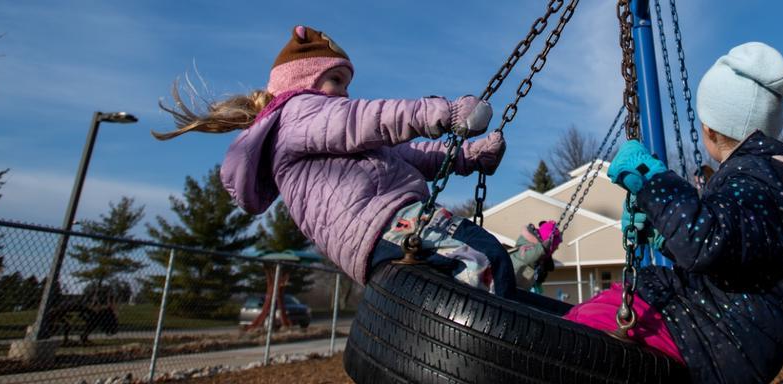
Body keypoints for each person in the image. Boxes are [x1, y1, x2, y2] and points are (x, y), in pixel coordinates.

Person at [563, 42, 783, 383]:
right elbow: (732, 254)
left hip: (716, 334)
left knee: (586, 329)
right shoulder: (769, 180)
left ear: (710, 129)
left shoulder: (755, 179)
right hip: (726, 330)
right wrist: (659, 232)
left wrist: (651, 179)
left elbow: (708, 241)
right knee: (599, 308)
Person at [154, 25, 527, 297]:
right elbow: (368, 119)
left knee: (455, 288)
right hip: (389, 223)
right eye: (335, 79)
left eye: (346, 83)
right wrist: (441, 113)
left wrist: (465, 156)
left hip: (374, 242)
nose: (345, 93)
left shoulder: (321, 133)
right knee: (487, 257)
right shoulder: (300, 112)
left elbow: (404, 155)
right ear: (303, 83)